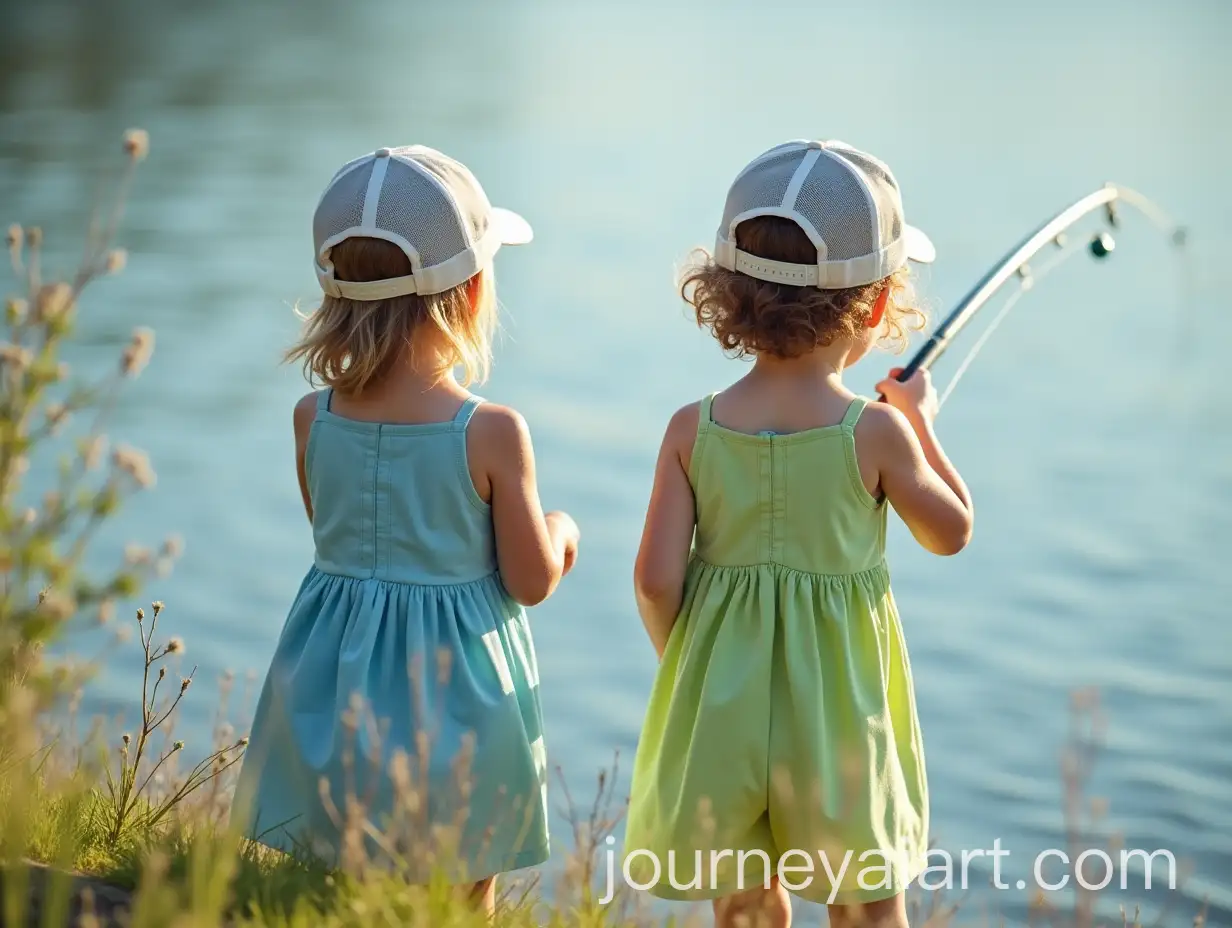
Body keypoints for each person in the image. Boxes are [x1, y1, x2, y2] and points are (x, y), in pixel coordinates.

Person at [624, 140, 974, 928]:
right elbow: (952, 532)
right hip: (841, 712)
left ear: (727, 292)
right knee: (865, 904)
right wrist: (922, 425)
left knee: (745, 903)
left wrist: (688, 662)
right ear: (879, 306)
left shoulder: (691, 430)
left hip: (720, 698)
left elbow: (653, 580)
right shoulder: (877, 436)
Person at [232, 145, 579, 917]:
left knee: (343, 881)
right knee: (462, 890)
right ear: (474, 288)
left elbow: (341, 536)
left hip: (333, 691)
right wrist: (561, 529)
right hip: (459, 706)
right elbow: (530, 580)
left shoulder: (310, 418)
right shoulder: (489, 431)